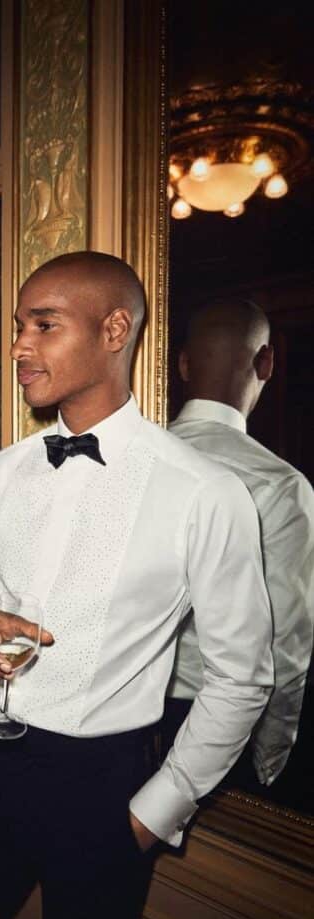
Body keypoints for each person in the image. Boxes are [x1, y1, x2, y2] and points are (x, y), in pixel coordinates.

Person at [0, 251, 274, 919]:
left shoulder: (205, 493)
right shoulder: (5, 470)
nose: (18, 346)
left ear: (113, 329)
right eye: (16, 327)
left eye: (42, 326)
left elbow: (242, 677)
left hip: (105, 787)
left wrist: (150, 814)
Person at [164, 299, 314, 788]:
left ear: (184, 363)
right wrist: (270, 761)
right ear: (265, 362)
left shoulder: (131, 458)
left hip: (115, 717)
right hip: (218, 729)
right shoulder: (281, 486)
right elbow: (287, 643)